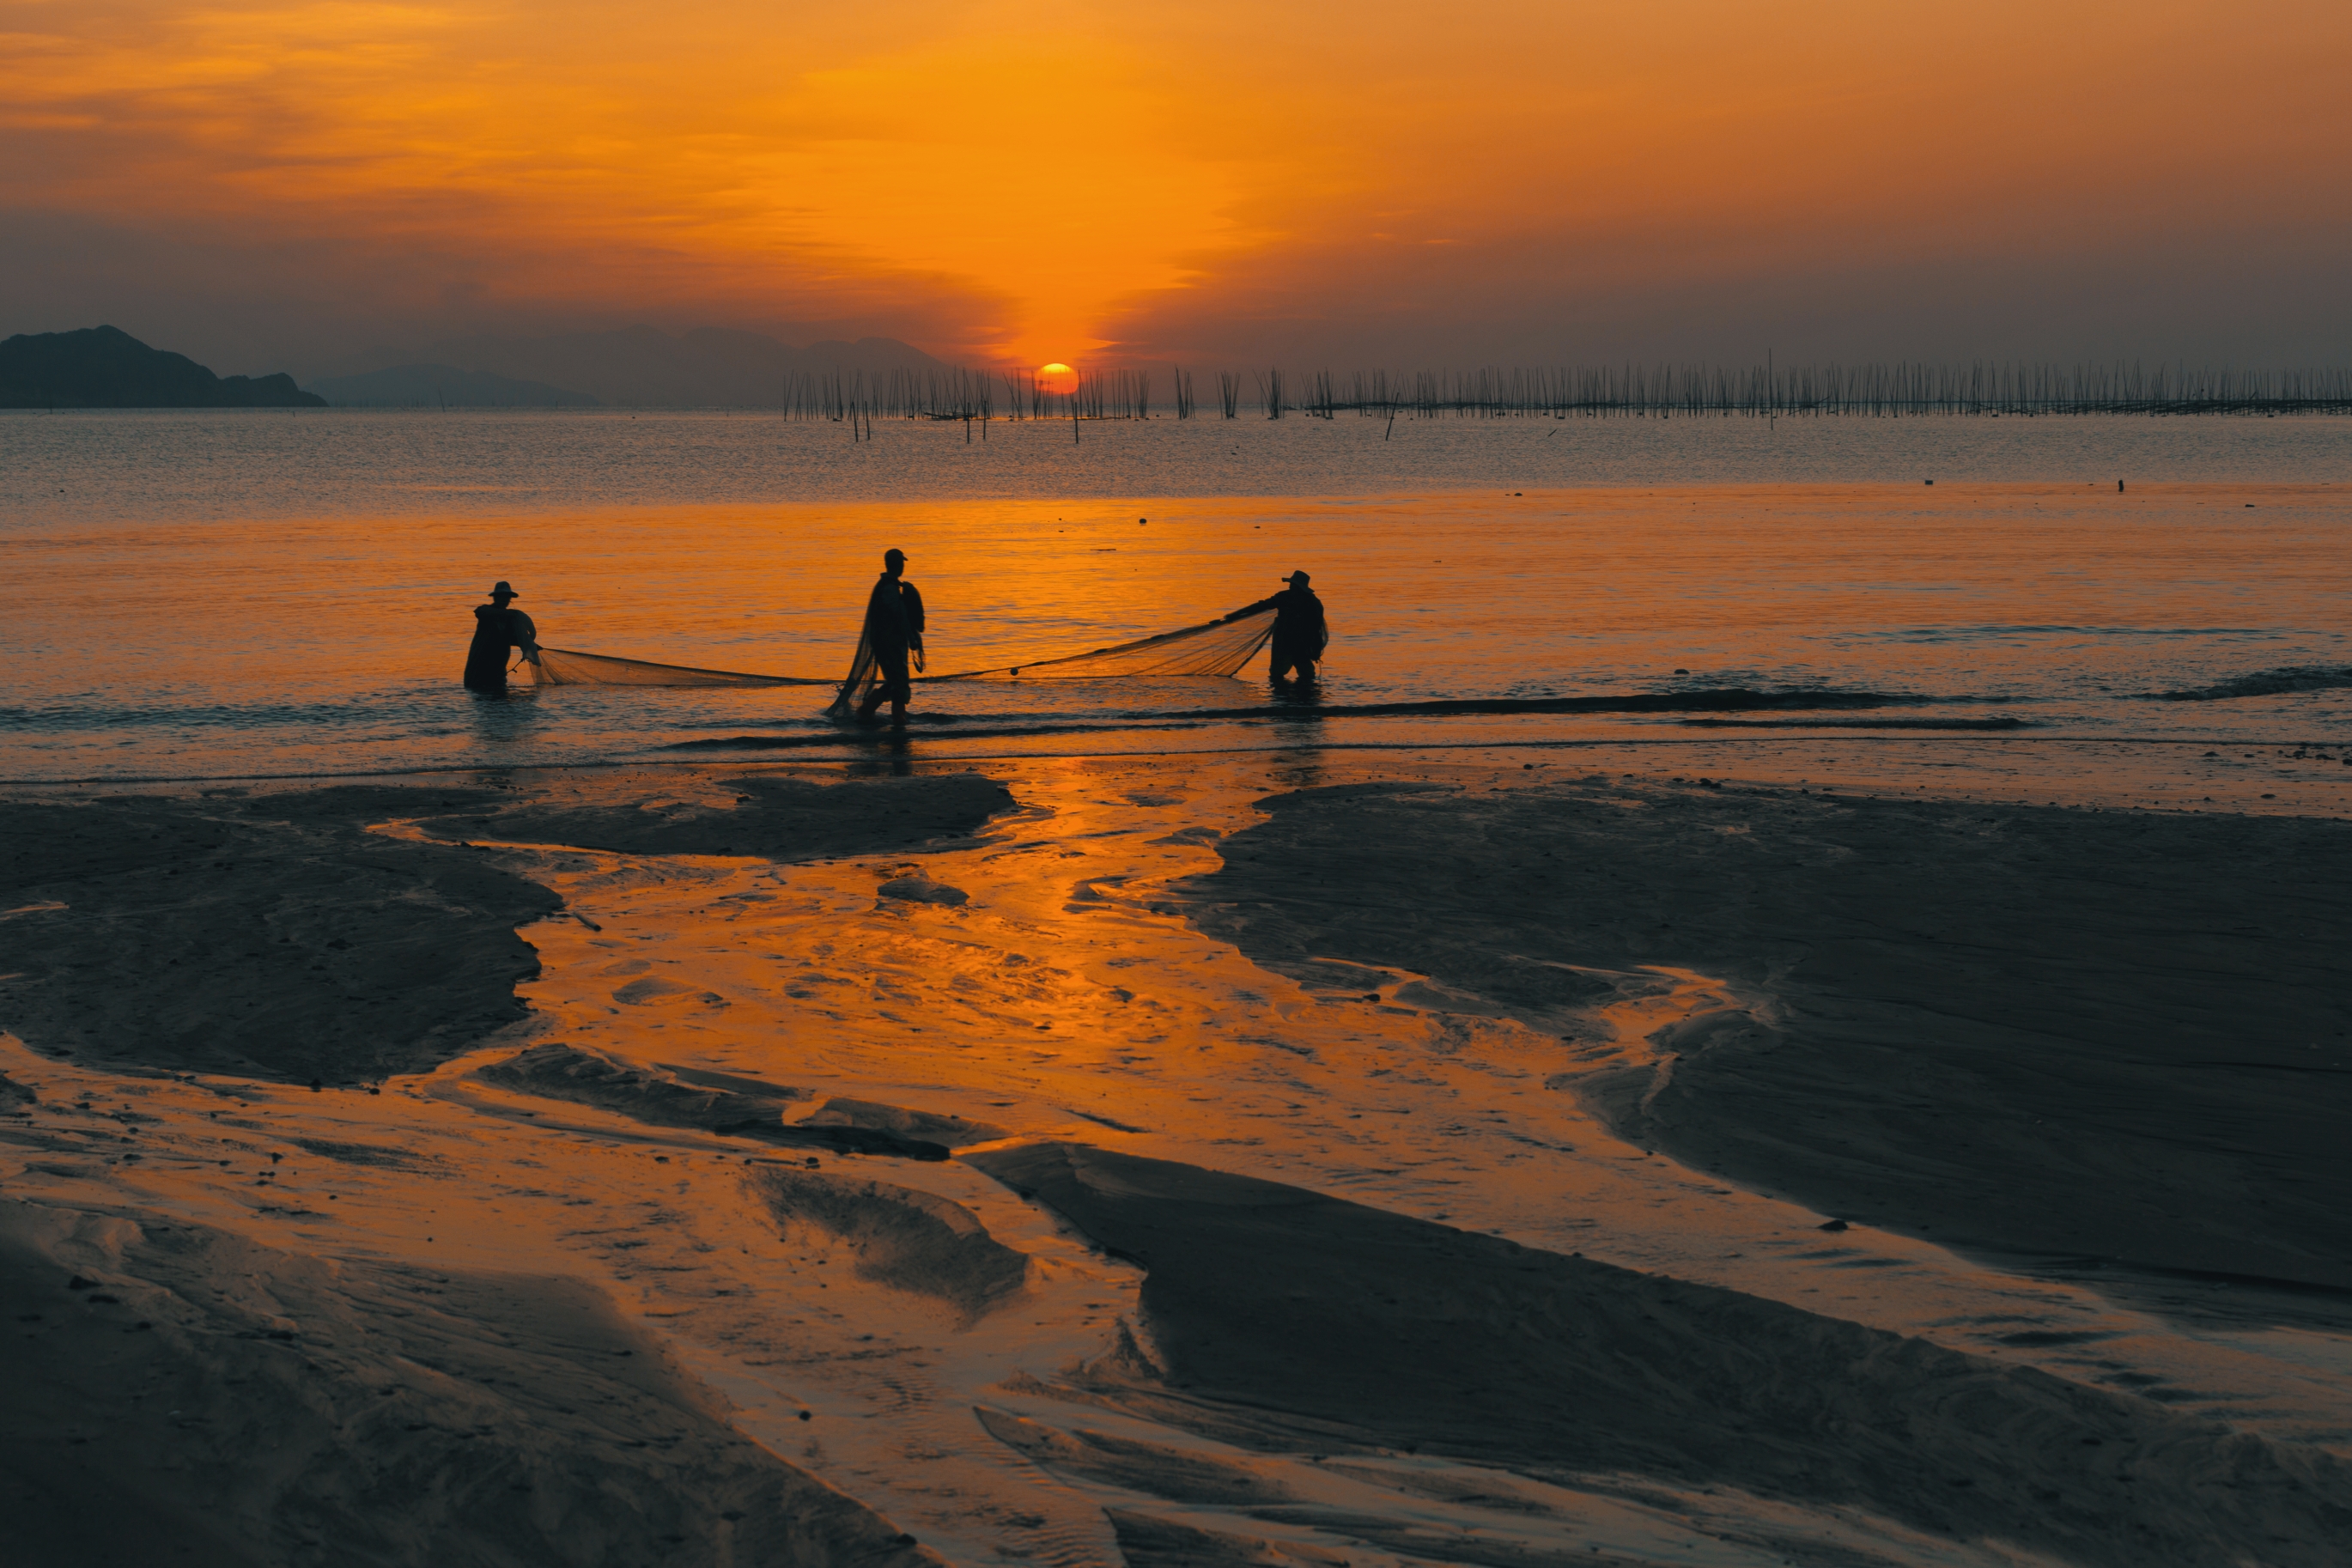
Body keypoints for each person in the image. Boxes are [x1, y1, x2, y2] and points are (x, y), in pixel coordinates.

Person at [854, 548, 927, 722]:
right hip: (889, 646)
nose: (902, 566)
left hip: (888, 644)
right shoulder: (890, 589)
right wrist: (912, 639)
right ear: (898, 565)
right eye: (901, 562)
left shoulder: (887, 586)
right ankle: (875, 713)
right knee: (898, 683)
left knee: (896, 683)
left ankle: (890, 716)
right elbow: (899, 616)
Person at [464, 580, 540, 692]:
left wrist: (531, 646)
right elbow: (479, 611)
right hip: (477, 672)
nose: (504, 600)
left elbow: (511, 639)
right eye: (501, 597)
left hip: (498, 675)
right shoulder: (486, 613)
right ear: (495, 598)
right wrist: (510, 614)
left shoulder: (510, 621)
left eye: (507, 597)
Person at [1264, 569, 1328, 686]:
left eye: (1292, 584)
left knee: (1277, 675)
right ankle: (1304, 698)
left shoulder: (1284, 597)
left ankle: (1282, 699)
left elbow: (1262, 605)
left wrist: (1236, 615)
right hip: (1303, 642)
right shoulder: (1313, 601)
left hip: (1285, 641)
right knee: (1307, 673)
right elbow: (1317, 625)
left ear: (1297, 586)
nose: (1289, 587)